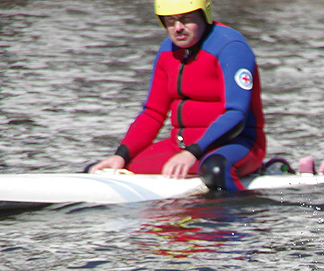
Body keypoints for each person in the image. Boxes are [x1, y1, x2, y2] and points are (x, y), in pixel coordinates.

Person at [89, 0, 266, 191]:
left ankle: (242, 215)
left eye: (186, 20)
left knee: (215, 170)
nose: (178, 28)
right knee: (104, 173)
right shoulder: (167, 51)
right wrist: (121, 155)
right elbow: (153, 113)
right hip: (182, 147)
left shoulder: (231, 47)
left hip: (237, 145)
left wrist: (193, 153)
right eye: (171, 21)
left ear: (204, 16)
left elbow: (236, 115)